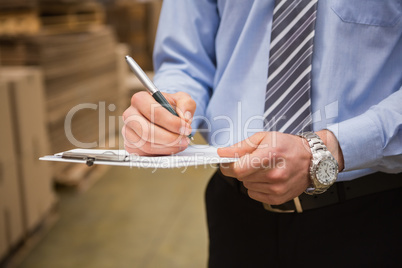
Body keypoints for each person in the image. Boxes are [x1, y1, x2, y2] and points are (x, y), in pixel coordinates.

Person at [122, 0, 402, 267]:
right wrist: (168, 107)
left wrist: (329, 149)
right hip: (235, 210)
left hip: (373, 212)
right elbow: (185, 61)